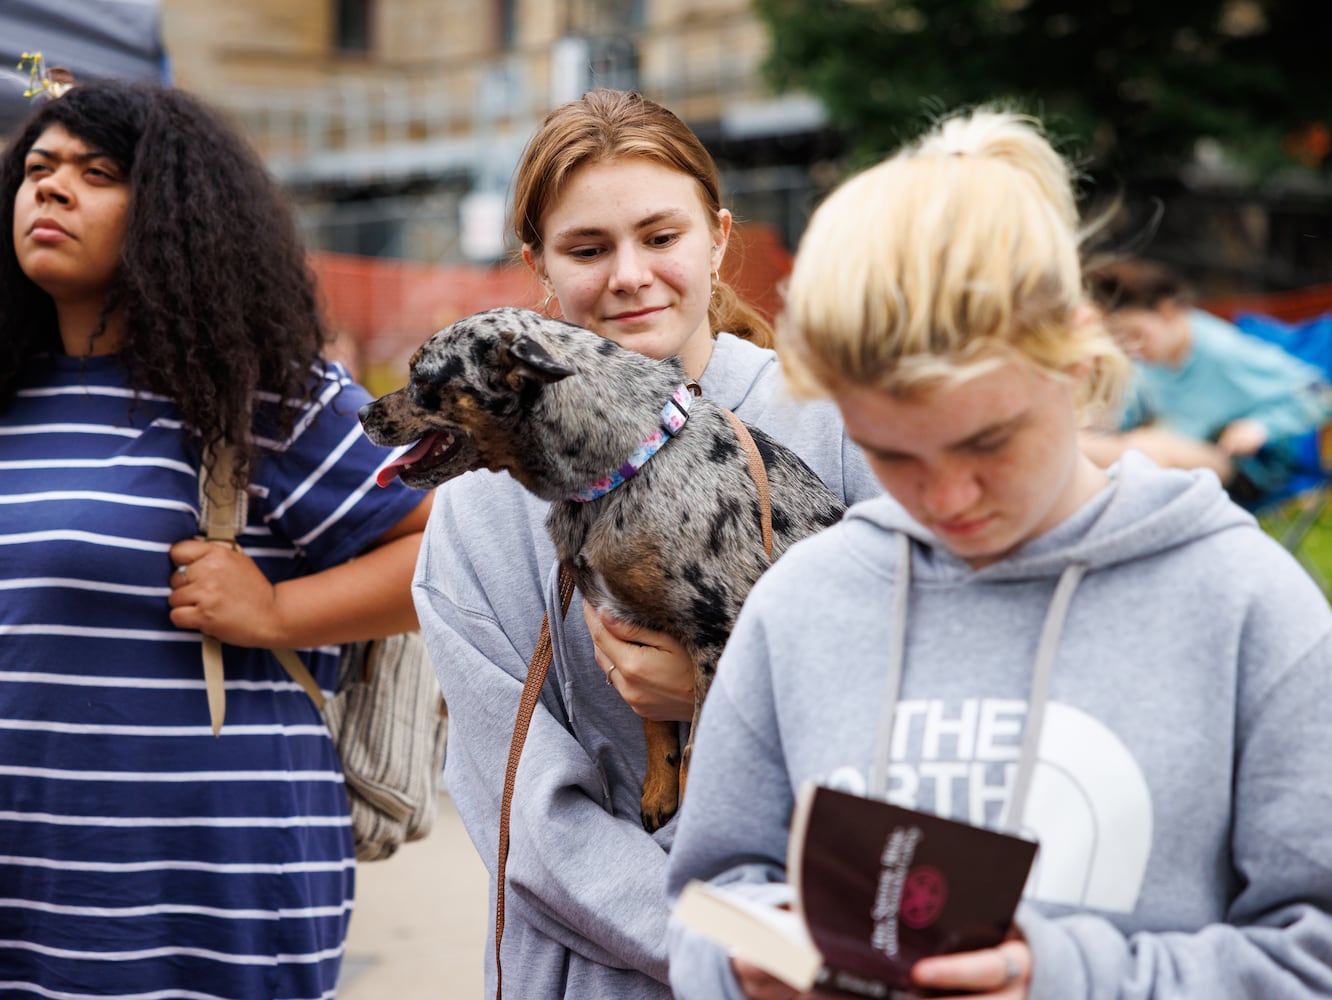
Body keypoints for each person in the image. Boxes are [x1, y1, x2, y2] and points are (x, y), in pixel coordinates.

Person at [666, 108, 1332, 1000]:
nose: (947, 499)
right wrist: (745, 970)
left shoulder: (1247, 603)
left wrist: (1057, 979)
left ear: (1077, 358)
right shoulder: (803, 603)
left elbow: (1313, 957)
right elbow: (707, 907)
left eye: (988, 443)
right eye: (892, 455)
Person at [410, 88, 881, 999]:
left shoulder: (841, 428)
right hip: (607, 974)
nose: (628, 275)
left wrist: (724, 687)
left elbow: (931, 686)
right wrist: (723, 955)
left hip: (832, 949)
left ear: (717, 238)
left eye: (661, 238)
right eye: (587, 249)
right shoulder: (478, 509)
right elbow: (528, 810)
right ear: (539, 268)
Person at [0, 80, 432, 996]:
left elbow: (450, 550)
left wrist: (278, 609)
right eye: (37, 169)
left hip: (208, 907)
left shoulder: (261, 396)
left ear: (173, 212)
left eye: (97, 172)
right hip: (28, 893)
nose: (51, 188)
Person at [1079, 257, 1330, 506]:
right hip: (1181, 452)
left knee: (1144, 448)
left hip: (1242, 467)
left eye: (1137, 335)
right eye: (1122, 340)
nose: (1132, 348)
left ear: (1167, 312)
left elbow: (1318, 393)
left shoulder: (1221, 350)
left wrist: (1261, 426)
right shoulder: (1151, 360)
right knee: (1086, 441)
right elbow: (1127, 414)